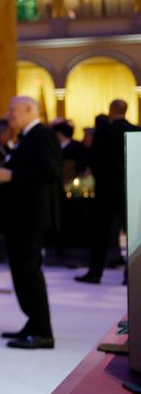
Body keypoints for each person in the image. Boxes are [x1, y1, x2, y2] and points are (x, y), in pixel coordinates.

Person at [0, 96, 61, 349]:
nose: (9, 114)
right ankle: (33, 323)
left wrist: (10, 174)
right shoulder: (28, 138)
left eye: (13, 110)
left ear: (30, 110)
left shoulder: (42, 135)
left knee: (29, 273)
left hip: (30, 219)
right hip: (20, 219)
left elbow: (51, 171)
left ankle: (43, 331)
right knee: (22, 273)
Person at [79, 99, 139, 283]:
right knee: (134, 236)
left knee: (100, 234)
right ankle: (133, 276)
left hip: (106, 191)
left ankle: (95, 273)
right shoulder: (137, 131)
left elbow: (93, 159)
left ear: (112, 110)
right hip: (131, 189)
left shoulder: (104, 133)